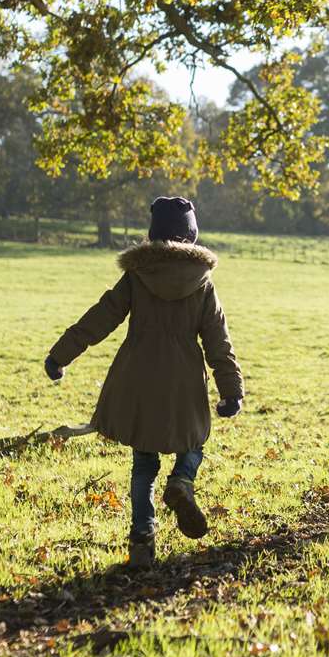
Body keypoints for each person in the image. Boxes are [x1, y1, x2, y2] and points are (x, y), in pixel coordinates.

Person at [45, 197, 243, 566]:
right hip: (184, 379)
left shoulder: (137, 275)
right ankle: (182, 481)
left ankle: (141, 538)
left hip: (138, 376)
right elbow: (218, 340)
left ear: (153, 235)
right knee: (195, 440)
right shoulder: (202, 283)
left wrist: (60, 355)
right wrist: (231, 391)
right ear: (191, 236)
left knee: (143, 460)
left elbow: (101, 316)